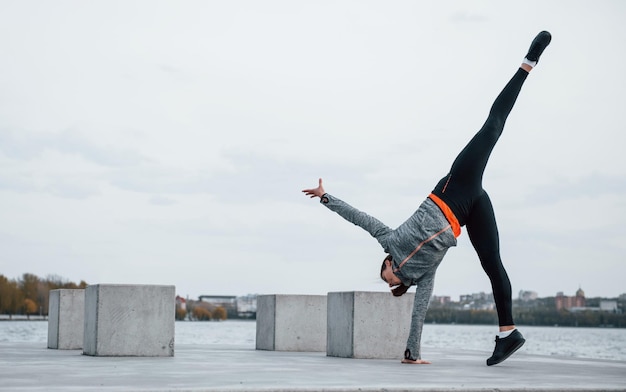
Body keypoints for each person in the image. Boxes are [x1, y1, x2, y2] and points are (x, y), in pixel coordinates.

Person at [302, 31, 552, 366]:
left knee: (492, 128)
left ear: (388, 263)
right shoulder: (425, 275)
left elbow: (359, 217)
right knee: (493, 264)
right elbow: (419, 315)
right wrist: (412, 355)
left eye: (386, 276)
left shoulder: (389, 240)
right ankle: (508, 333)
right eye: (390, 283)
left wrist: (325, 197)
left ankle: (527, 63)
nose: (389, 280)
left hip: (451, 190)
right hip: (468, 210)